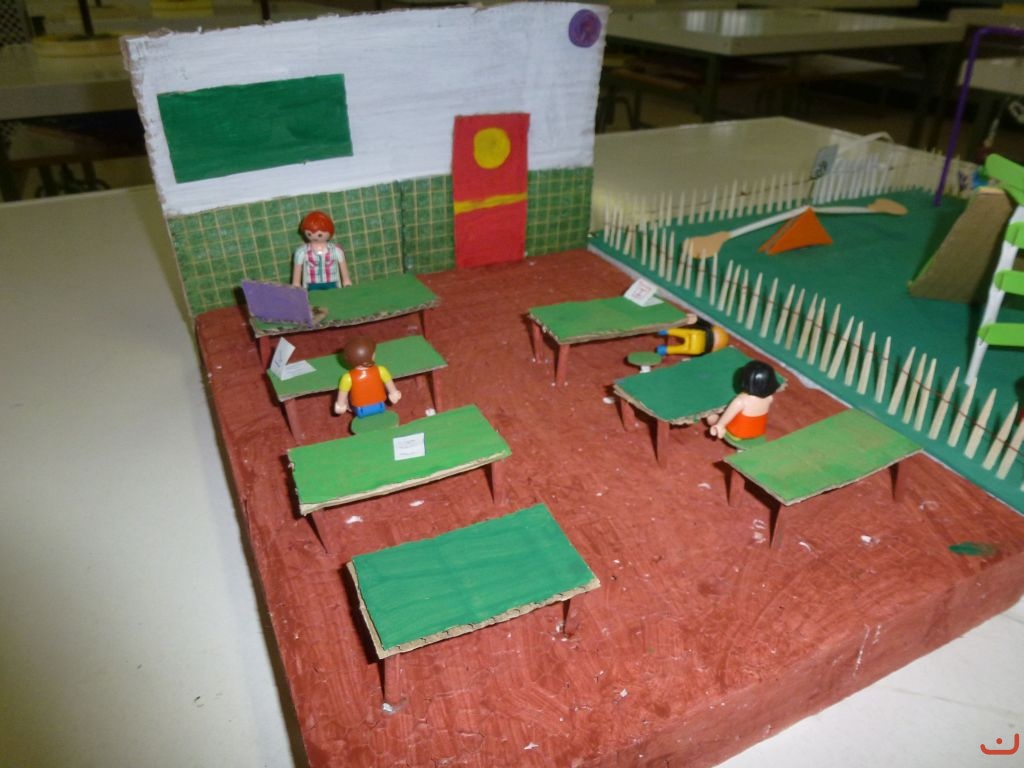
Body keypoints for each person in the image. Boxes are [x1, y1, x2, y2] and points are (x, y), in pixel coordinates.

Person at [707, 360, 779, 443]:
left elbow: (723, 422)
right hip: (758, 431)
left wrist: (719, 426)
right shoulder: (770, 398)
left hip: (738, 433)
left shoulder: (740, 401)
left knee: (711, 417)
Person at [333, 336, 401, 419]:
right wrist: (394, 393)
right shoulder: (381, 370)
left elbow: (342, 394)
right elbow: (390, 384)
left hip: (360, 408)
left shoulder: (347, 378)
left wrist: (340, 405)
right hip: (380, 404)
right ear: (372, 356)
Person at [291, 211, 352, 291]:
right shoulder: (302, 252)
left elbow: (343, 266)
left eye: (319, 235)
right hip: (312, 284)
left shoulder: (336, 251)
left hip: (331, 282)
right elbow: (297, 271)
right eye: (309, 234)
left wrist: (346, 281)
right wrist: (296, 284)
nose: (315, 237)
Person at [656, 318, 729, 357]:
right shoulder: (716, 347)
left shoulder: (716, 330)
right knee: (678, 349)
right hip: (697, 349)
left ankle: (666, 331)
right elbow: (705, 355)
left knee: (680, 332)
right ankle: (664, 350)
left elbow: (705, 324)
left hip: (696, 334)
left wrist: (697, 319)